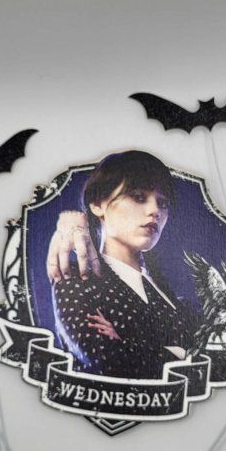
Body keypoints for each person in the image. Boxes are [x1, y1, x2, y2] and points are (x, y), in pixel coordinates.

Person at [45, 151, 196, 379]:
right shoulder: (77, 278)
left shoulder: (173, 298)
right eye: (138, 197)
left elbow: (212, 364)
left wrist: (125, 341)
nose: (155, 211)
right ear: (98, 204)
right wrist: (180, 354)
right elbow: (106, 360)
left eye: (163, 203)